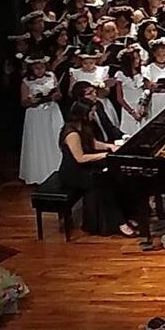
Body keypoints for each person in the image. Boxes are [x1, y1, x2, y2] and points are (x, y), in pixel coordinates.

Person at [58, 100, 138, 236]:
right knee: (103, 184)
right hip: (74, 172)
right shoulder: (71, 133)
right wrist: (105, 155)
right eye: (92, 112)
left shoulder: (84, 127)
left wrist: (110, 146)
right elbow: (80, 158)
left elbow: (93, 143)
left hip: (84, 167)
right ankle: (120, 223)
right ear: (83, 114)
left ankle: (123, 216)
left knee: (116, 179)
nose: (94, 115)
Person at [18, 53, 64, 184]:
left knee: (55, 138)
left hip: (52, 111)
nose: (40, 70)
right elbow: (23, 102)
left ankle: (57, 168)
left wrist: (54, 96)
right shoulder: (26, 81)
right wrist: (33, 100)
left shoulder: (51, 76)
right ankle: (39, 173)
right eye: (36, 68)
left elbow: (59, 94)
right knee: (39, 141)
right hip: (36, 115)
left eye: (42, 67)